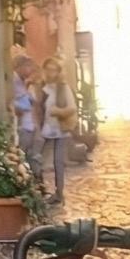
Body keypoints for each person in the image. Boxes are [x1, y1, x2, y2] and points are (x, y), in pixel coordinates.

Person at [40, 57, 79, 205]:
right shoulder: (40, 87)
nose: (50, 73)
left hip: (60, 128)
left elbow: (72, 108)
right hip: (43, 128)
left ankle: (59, 192)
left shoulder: (63, 88)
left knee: (58, 161)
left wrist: (59, 111)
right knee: (38, 159)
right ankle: (40, 189)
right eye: (48, 69)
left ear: (58, 72)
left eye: (53, 70)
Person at [12, 55, 44, 185]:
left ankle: (36, 181)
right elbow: (15, 103)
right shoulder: (14, 81)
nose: (30, 70)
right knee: (23, 155)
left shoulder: (25, 83)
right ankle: (31, 182)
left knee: (33, 155)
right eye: (28, 66)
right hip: (22, 126)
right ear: (20, 66)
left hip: (31, 125)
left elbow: (35, 103)